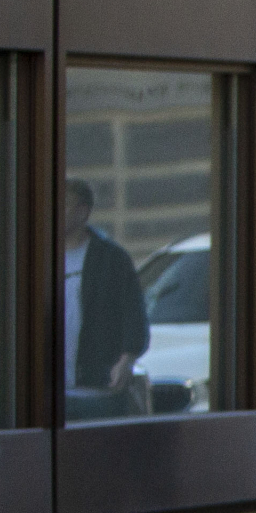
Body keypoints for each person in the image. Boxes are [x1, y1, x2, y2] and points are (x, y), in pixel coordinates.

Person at [61, 178, 150, 419]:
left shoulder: (110, 259)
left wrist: (126, 360)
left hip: (97, 387)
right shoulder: (39, 255)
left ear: (83, 211)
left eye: (63, 205)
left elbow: (134, 314)